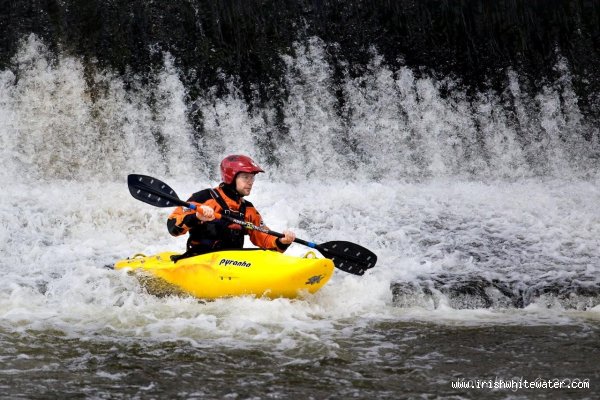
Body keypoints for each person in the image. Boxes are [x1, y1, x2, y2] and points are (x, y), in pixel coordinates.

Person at [167, 155, 296, 257]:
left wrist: (281, 241)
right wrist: (196, 217)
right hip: (201, 261)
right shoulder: (204, 198)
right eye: (246, 177)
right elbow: (173, 226)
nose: (251, 182)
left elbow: (264, 237)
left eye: (252, 178)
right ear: (231, 178)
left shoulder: (248, 209)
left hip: (233, 264)